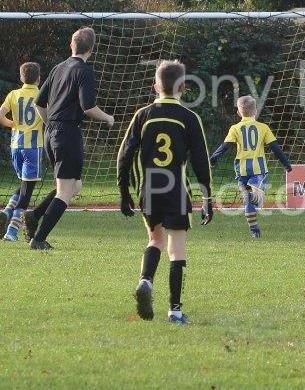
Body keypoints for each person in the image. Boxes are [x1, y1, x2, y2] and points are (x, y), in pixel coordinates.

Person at [117, 60, 213, 324]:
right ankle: (175, 311)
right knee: (177, 250)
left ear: (155, 86)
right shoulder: (189, 118)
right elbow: (201, 161)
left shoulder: (142, 115)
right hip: (175, 190)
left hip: (149, 189)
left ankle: (145, 281)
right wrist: (207, 198)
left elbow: (124, 155)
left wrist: (123, 191)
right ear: (183, 87)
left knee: (155, 240)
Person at [28, 27, 114, 250]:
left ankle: (34, 215)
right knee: (66, 191)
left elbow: (39, 103)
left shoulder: (58, 68)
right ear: (91, 49)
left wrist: (50, 125)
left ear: (71, 45)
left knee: (75, 185)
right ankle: (38, 239)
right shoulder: (84, 71)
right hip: (67, 133)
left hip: (52, 133)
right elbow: (88, 107)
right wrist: (108, 118)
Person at [209, 95, 291, 238]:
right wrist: (286, 163)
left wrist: (213, 157)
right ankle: (250, 201)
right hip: (258, 169)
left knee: (248, 201)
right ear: (255, 111)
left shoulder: (235, 128)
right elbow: (275, 147)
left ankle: (255, 231)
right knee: (257, 199)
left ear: (238, 112)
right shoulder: (263, 127)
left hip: (241, 170)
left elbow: (225, 146)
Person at [0, 62, 44, 241]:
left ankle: (6, 212)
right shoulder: (42, 94)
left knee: (24, 185)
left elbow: (1, 114)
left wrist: (13, 124)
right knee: (27, 191)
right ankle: (12, 231)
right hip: (33, 147)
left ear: (21, 77)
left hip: (16, 147)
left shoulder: (13, 94)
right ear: (39, 78)